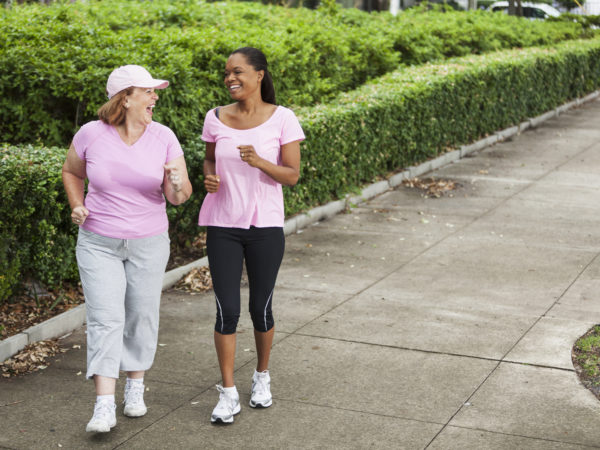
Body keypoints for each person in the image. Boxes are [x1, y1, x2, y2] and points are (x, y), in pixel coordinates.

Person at [61, 65, 192, 433]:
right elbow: (71, 172)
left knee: (141, 314)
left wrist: (177, 182)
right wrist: (76, 204)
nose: (155, 97)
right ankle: (104, 405)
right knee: (105, 318)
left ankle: (135, 386)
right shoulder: (91, 134)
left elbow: (179, 198)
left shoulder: (164, 137)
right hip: (98, 241)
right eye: (148, 92)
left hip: (148, 242)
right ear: (126, 97)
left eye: (154, 92)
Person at [198, 47, 305, 424]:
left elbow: (292, 176)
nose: (230, 78)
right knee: (226, 310)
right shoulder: (215, 118)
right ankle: (228, 393)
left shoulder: (283, 119)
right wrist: (209, 177)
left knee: (260, 307)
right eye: (226, 73)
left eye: (238, 72)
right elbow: (210, 158)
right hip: (223, 224)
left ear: (259, 75)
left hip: (265, 227)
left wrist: (260, 161)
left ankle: (261, 377)